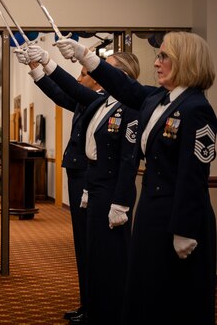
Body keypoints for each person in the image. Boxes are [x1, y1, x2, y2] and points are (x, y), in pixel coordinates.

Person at [56, 32, 217, 324]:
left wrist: (185, 228)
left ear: (186, 61)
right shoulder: (159, 99)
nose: (156, 63)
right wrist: (86, 57)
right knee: (146, 292)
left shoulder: (196, 109)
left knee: (178, 299)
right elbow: (122, 85)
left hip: (179, 219)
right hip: (152, 213)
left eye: (164, 56)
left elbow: (193, 176)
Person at [22, 45, 141, 325]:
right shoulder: (103, 102)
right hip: (93, 183)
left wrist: (121, 201)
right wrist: (41, 65)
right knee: (91, 251)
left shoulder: (127, 105)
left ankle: (106, 310)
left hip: (108, 188)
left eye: (100, 68)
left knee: (109, 256)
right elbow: (65, 91)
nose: (89, 74)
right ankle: (93, 306)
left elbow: (128, 159)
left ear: (118, 75)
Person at [15, 50, 102, 323]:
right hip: (78, 175)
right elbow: (58, 93)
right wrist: (34, 67)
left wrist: (46, 62)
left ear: (99, 81)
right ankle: (87, 303)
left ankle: (95, 307)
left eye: (84, 74)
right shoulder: (85, 101)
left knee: (92, 248)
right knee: (82, 246)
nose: (79, 78)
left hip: (89, 178)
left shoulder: (100, 102)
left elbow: (67, 88)